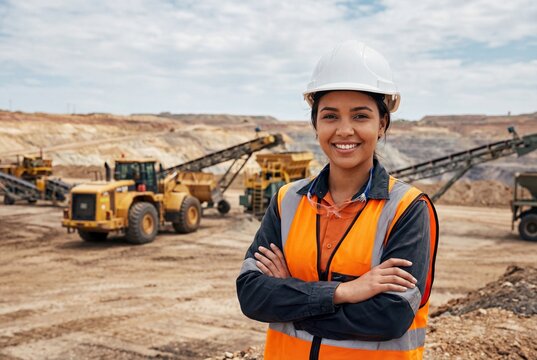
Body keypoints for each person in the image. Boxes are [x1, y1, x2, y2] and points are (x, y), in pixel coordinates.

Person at [236, 41, 439, 360]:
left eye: (360, 116)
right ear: (315, 124)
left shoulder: (407, 208)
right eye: (330, 116)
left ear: (382, 123)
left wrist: (288, 296)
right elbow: (251, 295)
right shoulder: (286, 201)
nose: (345, 130)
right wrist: (346, 291)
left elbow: (389, 316)